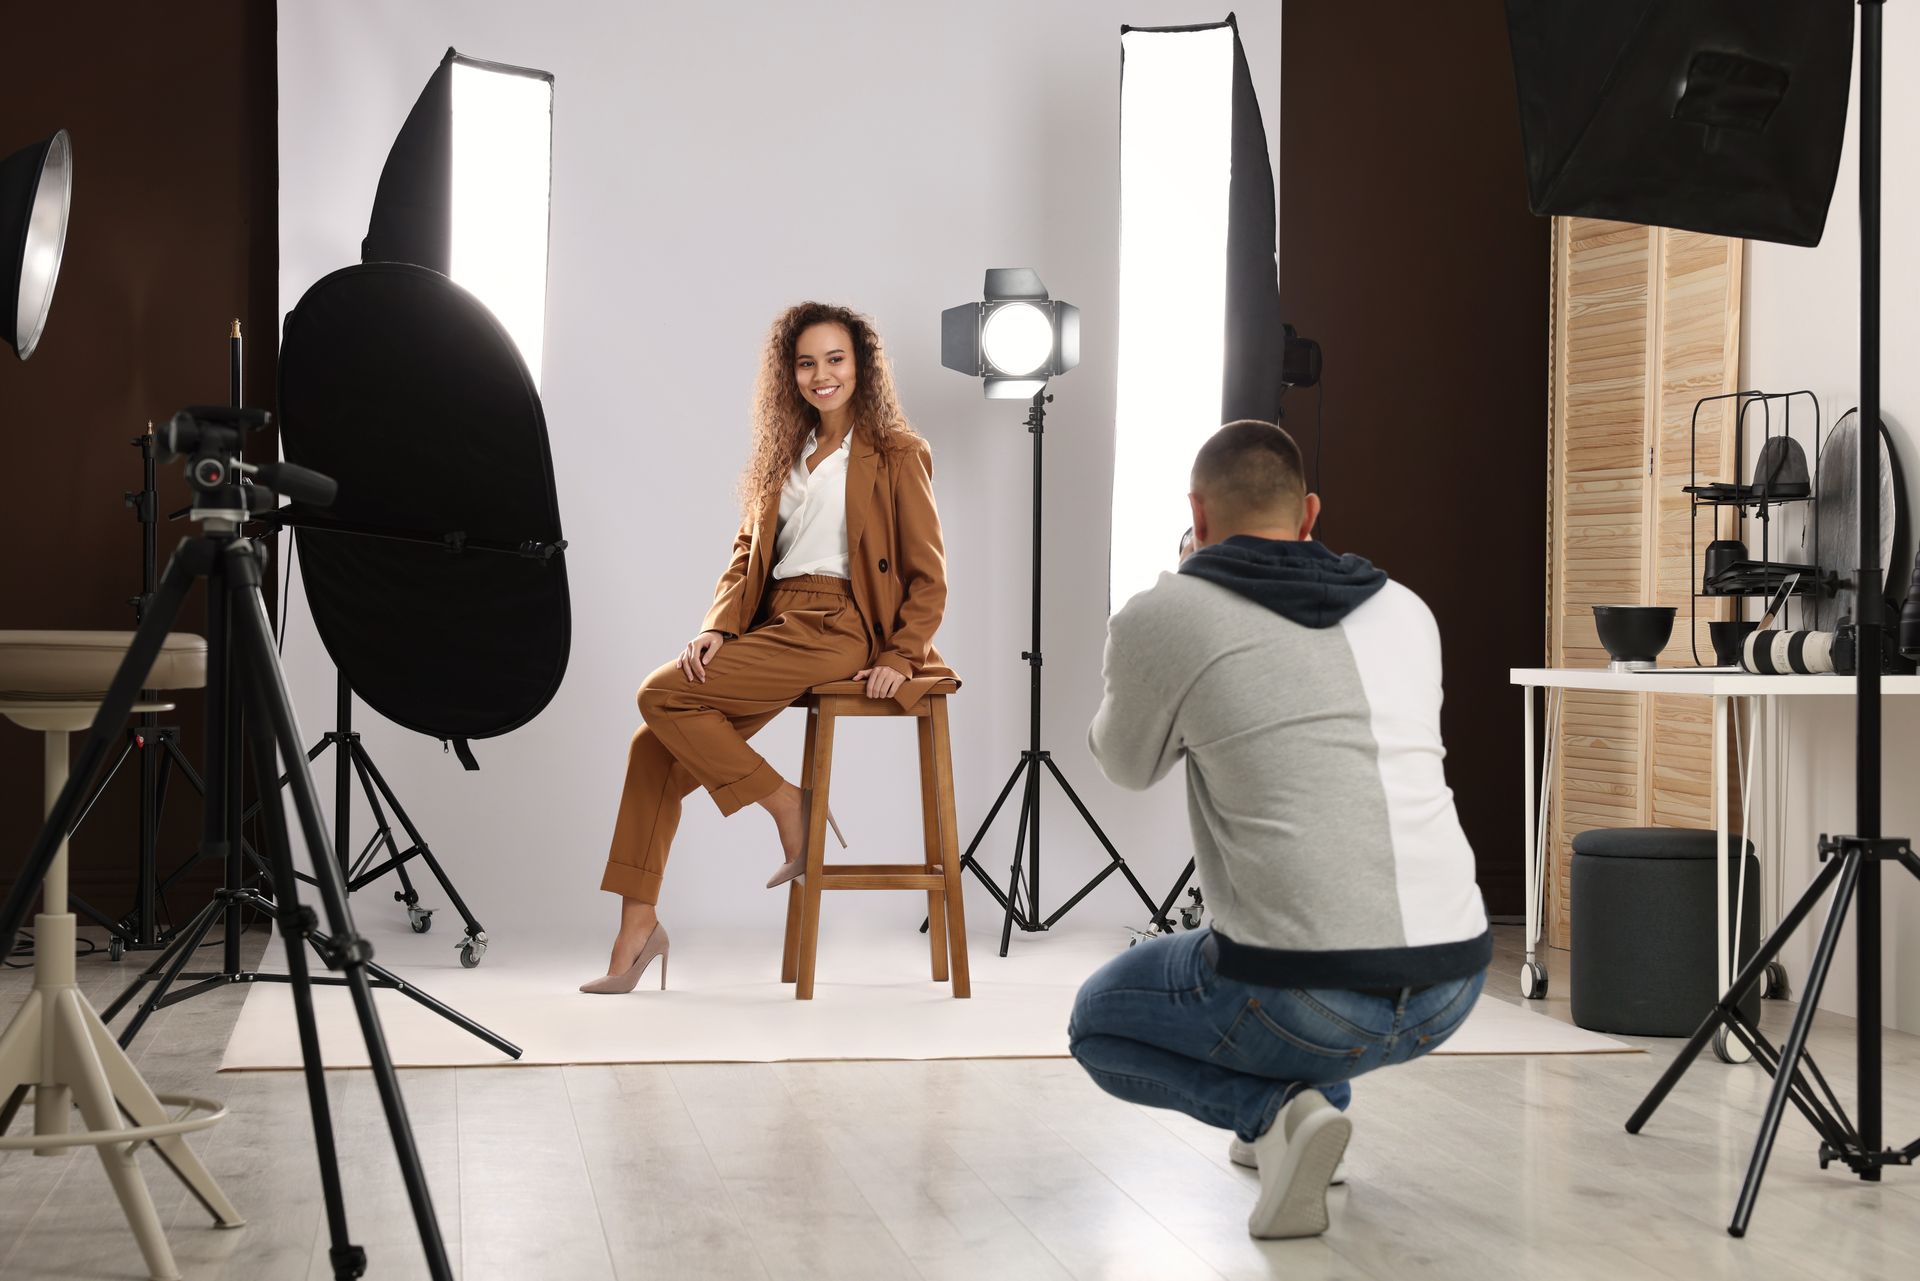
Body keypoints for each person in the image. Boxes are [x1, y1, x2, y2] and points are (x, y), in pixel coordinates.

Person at [1068, 419, 1490, 1238]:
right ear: (1310, 515)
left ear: (1196, 511)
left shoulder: (1171, 610)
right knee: (1305, 915)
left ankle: (1275, 1112)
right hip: (1453, 983)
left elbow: (1124, 765)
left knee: (1098, 1022)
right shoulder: (1407, 609)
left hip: (1299, 1000)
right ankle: (1305, 1114)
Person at [582, 302, 955, 994]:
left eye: (835, 360)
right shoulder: (783, 453)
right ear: (791, 373)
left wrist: (902, 655)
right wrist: (717, 626)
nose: (821, 375)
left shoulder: (899, 454)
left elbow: (929, 575)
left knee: (658, 692)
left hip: (840, 626)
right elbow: (747, 553)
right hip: (771, 625)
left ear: (861, 367)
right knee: (650, 747)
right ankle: (640, 927)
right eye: (807, 362)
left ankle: (789, 806)